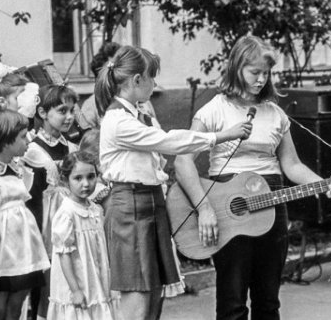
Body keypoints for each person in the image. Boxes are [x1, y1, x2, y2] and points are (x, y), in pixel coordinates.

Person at [173, 35, 331, 320]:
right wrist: (203, 208)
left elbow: (291, 164)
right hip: (225, 205)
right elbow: (182, 162)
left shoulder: (275, 114)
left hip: (272, 203)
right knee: (232, 303)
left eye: (266, 73)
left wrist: (324, 183)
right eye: (255, 72)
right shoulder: (213, 110)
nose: (262, 80)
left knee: (268, 301)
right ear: (237, 68)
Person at [95, 45, 252, 320]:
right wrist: (221, 136)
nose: (155, 84)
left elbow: (158, 158)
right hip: (130, 208)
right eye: (152, 77)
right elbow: (170, 142)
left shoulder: (139, 115)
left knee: (154, 295)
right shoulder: (118, 121)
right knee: (137, 299)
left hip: (149, 205)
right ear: (137, 80)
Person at [0, 110, 50, 320]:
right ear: (6, 140)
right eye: (22, 136)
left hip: (25, 247)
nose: (28, 140)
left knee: (17, 304)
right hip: (1, 249)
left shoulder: (21, 169)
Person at [23, 84, 79, 319]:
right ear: (43, 113)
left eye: (72, 111)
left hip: (71, 220)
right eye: (62, 111)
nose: (69, 117)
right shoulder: (31, 149)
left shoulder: (72, 147)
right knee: (46, 286)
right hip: (45, 222)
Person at [47, 151, 121, 320]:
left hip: (96, 278)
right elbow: (64, 254)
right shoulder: (66, 213)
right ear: (66, 180)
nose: (86, 184)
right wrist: (75, 290)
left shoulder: (96, 209)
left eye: (91, 177)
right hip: (78, 280)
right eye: (78, 178)